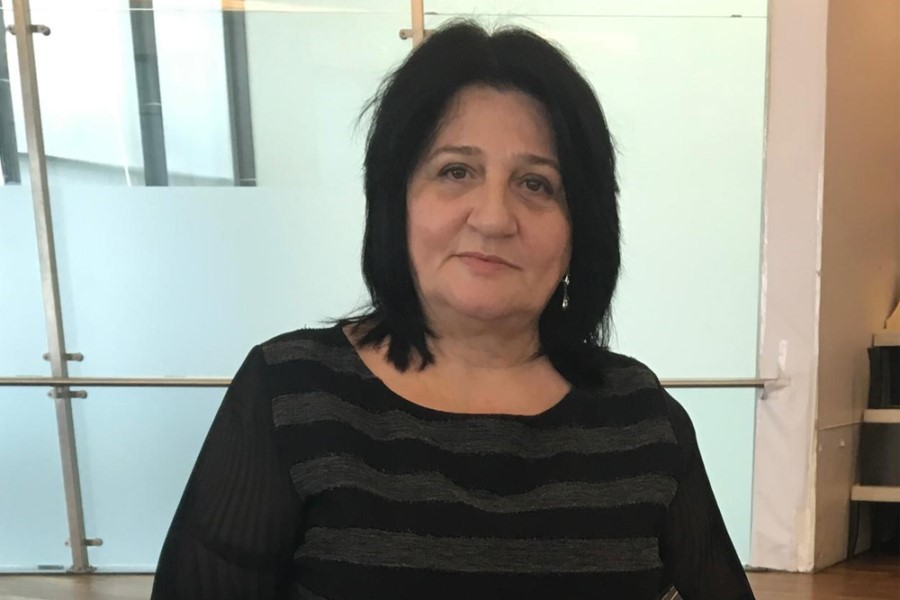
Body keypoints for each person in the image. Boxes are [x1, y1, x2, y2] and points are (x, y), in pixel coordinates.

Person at [150, 20, 756, 600]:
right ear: (396, 200)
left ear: (582, 225)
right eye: (455, 171)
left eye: (536, 183)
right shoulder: (290, 392)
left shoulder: (639, 414)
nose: (493, 218)